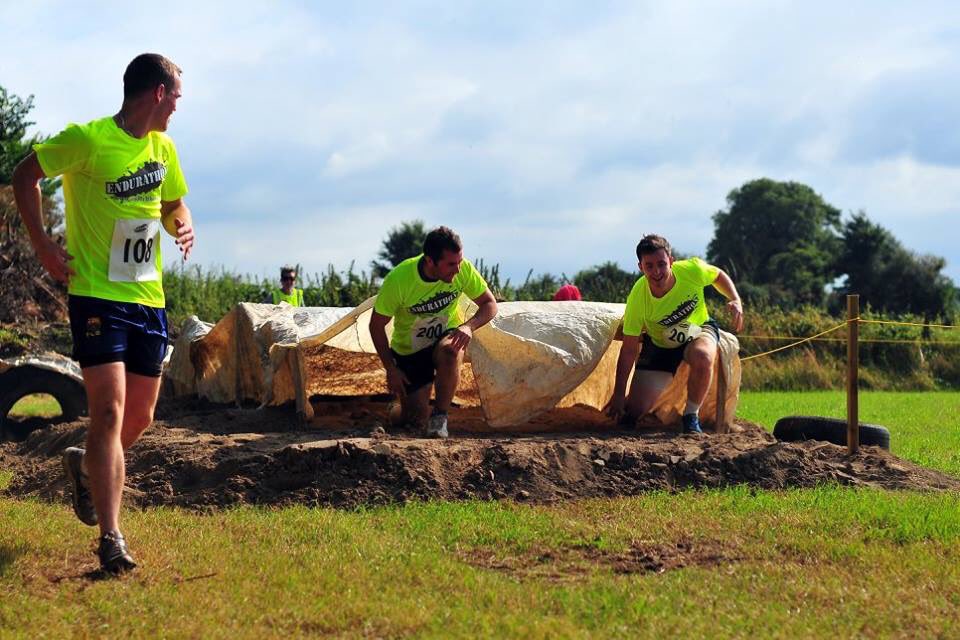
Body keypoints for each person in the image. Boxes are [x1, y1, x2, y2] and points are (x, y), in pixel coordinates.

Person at [12, 53, 193, 574]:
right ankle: (111, 538)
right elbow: (26, 175)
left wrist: (182, 224)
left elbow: (173, 203)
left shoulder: (164, 148)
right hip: (95, 295)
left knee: (139, 416)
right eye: (176, 96)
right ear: (158, 93)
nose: (178, 106)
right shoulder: (88, 139)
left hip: (149, 300)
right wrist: (44, 246)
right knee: (109, 413)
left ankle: (86, 469)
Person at [369, 226, 498, 438]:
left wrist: (468, 326)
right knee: (413, 421)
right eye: (450, 265)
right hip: (410, 349)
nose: (457, 270)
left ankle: (440, 417)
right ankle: (395, 409)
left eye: (459, 262)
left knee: (451, 351)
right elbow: (375, 325)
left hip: (445, 335)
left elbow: (489, 304)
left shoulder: (462, 269)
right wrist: (391, 368)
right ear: (430, 261)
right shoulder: (399, 279)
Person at [606, 234, 742, 434]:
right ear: (640, 267)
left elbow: (718, 275)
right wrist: (618, 394)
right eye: (649, 266)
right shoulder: (637, 297)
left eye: (661, 264)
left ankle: (691, 415)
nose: (657, 271)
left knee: (703, 355)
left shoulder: (692, 270)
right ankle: (637, 409)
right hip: (660, 344)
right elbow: (628, 349)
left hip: (698, 328)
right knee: (633, 412)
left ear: (671, 261)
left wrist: (735, 299)